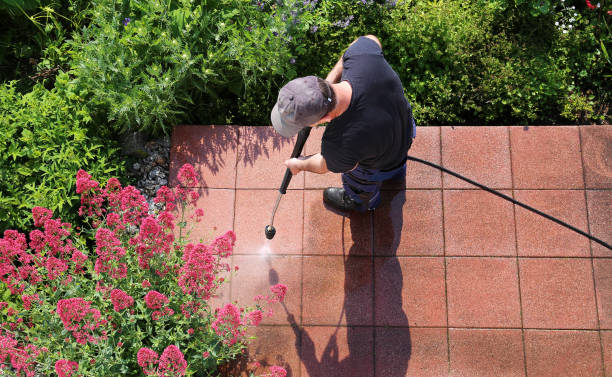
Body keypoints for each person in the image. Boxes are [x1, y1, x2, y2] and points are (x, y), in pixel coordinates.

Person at [270, 34, 416, 212]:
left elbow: (324, 164)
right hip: (405, 129)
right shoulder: (361, 55)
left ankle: (360, 201)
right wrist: (327, 84)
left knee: (359, 177)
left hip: (379, 162)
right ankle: (397, 172)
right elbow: (371, 39)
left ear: (324, 119)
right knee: (395, 162)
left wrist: (299, 165)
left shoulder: (340, 142)